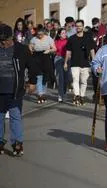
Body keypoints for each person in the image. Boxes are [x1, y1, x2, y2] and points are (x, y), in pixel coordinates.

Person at [0, 23, 37, 156]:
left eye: (4, 41)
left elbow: (32, 65)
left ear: (11, 38)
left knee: (15, 116)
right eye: (0, 41)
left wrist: (32, 82)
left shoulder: (21, 49)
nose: (2, 44)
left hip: (15, 89)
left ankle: (17, 143)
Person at [64, 19, 96, 105]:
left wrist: (95, 61)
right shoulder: (72, 38)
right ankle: (77, 95)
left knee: (84, 81)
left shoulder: (88, 37)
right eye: (77, 26)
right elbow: (68, 51)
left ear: (83, 26)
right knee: (75, 79)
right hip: (74, 62)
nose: (78, 28)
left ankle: (82, 96)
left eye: (80, 26)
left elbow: (92, 50)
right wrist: (65, 62)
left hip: (85, 63)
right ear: (75, 27)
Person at [29, 26, 56, 104]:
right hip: (37, 57)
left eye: (41, 34)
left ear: (44, 33)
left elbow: (54, 48)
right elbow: (30, 46)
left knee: (45, 76)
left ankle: (43, 93)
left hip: (46, 57)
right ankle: (40, 94)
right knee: (39, 76)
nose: (40, 36)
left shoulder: (48, 38)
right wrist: (31, 50)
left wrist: (49, 50)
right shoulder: (34, 39)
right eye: (38, 34)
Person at [54, 28, 68, 102]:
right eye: (62, 33)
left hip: (67, 59)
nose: (64, 34)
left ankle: (64, 93)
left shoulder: (68, 41)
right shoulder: (56, 41)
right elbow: (53, 50)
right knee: (60, 78)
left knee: (66, 78)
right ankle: (60, 94)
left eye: (65, 32)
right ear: (59, 35)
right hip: (58, 59)